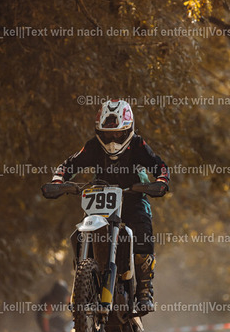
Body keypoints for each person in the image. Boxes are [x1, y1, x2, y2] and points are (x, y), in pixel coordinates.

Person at [45, 99, 170, 312]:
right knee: (80, 232)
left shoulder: (137, 145)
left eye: (118, 134)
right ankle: (85, 281)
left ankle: (144, 289)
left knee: (142, 230)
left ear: (128, 130)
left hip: (133, 197)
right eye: (108, 134)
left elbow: (159, 165)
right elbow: (69, 164)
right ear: (99, 132)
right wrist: (58, 181)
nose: (112, 140)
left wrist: (160, 181)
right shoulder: (94, 146)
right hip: (100, 197)